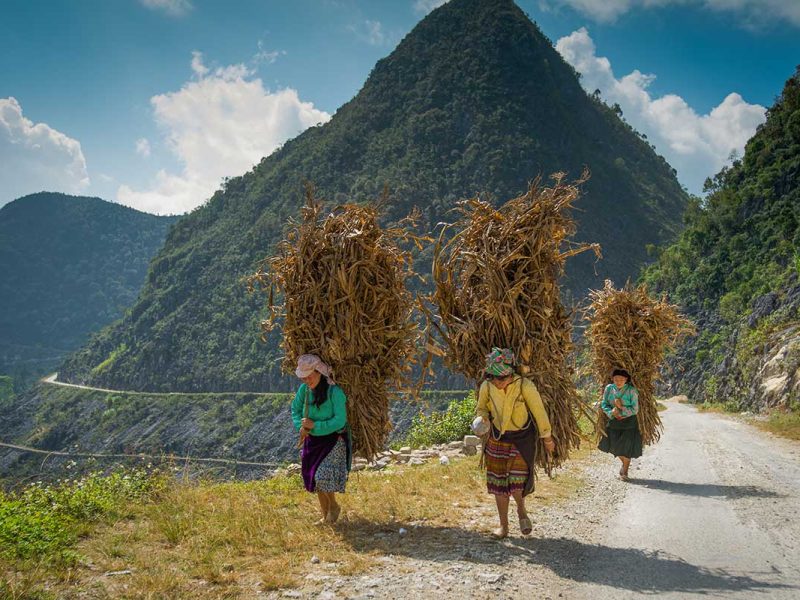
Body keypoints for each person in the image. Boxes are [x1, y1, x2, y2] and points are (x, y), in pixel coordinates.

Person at [475, 347, 556, 539]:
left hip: (522, 438)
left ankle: (521, 510)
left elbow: (539, 412)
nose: (496, 382)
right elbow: (481, 408)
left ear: (510, 375)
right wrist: (483, 419)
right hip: (498, 437)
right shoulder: (487, 386)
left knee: (517, 479)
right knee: (498, 482)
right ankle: (503, 526)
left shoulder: (524, 386)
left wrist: (547, 438)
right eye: (492, 377)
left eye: (500, 378)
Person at [291, 353, 352, 524]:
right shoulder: (305, 391)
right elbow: (295, 410)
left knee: (321, 475)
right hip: (313, 441)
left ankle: (333, 506)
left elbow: (340, 420)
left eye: (309, 376)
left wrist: (315, 426)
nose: (307, 381)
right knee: (313, 476)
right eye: (304, 378)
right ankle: (326, 515)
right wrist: (301, 426)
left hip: (333, 440)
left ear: (319, 372)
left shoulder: (335, 392)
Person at [598, 368, 642, 480]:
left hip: (629, 422)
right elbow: (604, 403)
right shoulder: (609, 388)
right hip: (614, 421)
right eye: (616, 379)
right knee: (613, 445)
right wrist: (610, 412)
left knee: (626, 447)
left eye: (621, 379)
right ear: (612, 379)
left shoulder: (632, 391)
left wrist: (621, 408)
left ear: (626, 380)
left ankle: (625, 473)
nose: (618, 381)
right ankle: (624, 465)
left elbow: (635, 409)